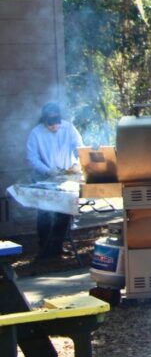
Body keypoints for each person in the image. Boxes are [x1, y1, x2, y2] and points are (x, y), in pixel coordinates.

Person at [25, 102, 83, 259]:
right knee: (45, 213)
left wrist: (78, 162)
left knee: (63, 213)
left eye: (56, 124)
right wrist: (47, 170)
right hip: (45, 178)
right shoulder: (36, 133)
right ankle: (44, 247)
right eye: (50, 125)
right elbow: (32, 158)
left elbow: (79, 147)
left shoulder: (69, 128)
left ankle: (57, 246)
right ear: (44, 121)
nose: (54, 127)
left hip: (65, 177)